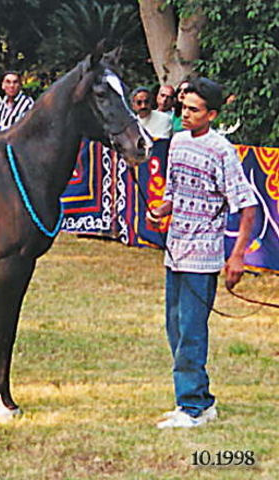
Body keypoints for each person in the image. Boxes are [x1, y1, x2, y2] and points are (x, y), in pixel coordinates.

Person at [146, 77, 257, 429]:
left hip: (203, 256)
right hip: (174, 251)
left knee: (191, 330)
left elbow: (247, 206)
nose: (186, 114)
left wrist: (237, 255)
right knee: (174, 329)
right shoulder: (176, 142)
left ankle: (191, 407)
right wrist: (163, 209)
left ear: (212, 114)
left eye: (194, 109)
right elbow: (176, 192)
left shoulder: (222, 150)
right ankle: (200, 400)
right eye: (183, 108)